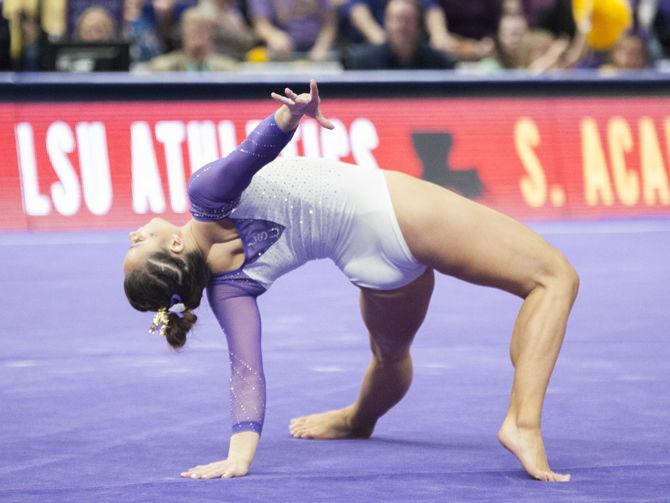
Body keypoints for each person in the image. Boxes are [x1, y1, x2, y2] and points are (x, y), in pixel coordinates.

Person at [123, 81, 579, 482]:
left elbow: (247, 374)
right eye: (137, 245)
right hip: (395, 210)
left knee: (391, 356)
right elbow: (252, 153)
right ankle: (523, 423)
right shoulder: (204, 196)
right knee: (554, 278)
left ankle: (359, 419)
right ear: (175, 250)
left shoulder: (227, 291)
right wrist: (291, 113)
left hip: (370, 267)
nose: (134, 233)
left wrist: (239, 456)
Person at [342, 0, 455, 69]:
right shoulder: (361, 62)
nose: (400, 27)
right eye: (395, 20)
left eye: (407, 20)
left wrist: (439, 36)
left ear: (418, 24)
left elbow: (433, 10)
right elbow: (357, 10)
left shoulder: (438, 62)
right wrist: (378, 38)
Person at [148, 6, 236, 71]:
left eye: (201, 31)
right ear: (183, 34)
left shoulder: (227, 68)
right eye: (193, 31)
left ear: (211, 35)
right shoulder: (163, 68)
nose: (197, 36)